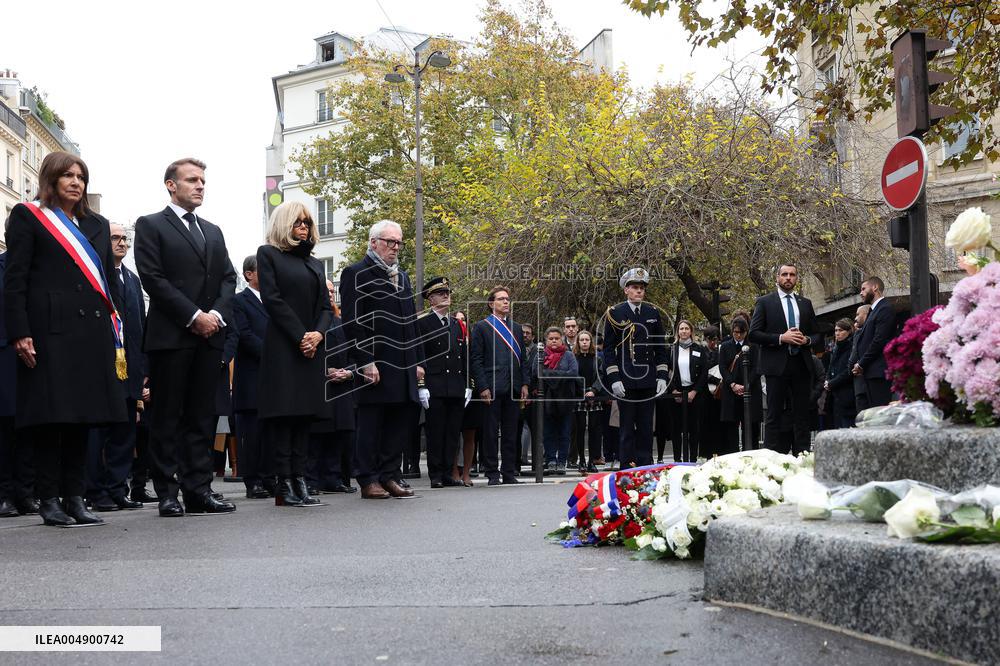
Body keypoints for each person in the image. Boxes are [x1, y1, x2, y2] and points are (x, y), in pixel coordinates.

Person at [4, 151, 126, 526]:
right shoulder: (29, 216)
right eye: (68, 175)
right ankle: (48, 498)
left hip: (91, 333)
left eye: (81, 177)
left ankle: (76, 497)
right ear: (51, 179)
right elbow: (15, 279)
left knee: (82, 419)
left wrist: (116, 335)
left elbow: (108, 285)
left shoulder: (98, 225)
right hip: (49, 331)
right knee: (51, 419)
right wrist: (20, 331)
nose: (76, 182)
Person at [134, 157, 238, 517]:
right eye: (192, 180)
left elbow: (228, 278)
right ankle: (166, 491)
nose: (200, 186)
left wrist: (216, 316)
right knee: (166, 416)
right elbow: (152, 277)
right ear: (170, 185)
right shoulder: (150, 225)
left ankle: (199, 489)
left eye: (203, 181)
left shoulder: (213, 230)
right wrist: (194, 316)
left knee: (202, 416)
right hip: (172, 336)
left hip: (209, 337)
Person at [339, 220, 424, 499]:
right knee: (371, 424)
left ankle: (389, 475)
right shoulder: (356, 273)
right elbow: (353, 322)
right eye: (390, 242)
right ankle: (368, 478)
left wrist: (418, 361)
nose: (395, 248)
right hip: (375, 363)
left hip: (403, 363)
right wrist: (365, 360)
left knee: (398, 422)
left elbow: (411, 321)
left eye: (399, 242)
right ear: (373, 242)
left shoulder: (402, 276)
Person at [256, 202, 332, 507]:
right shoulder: (269, 254)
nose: (304, 226)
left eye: (307, 222)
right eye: (298, 222)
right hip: (284, 347)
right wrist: (301, 335)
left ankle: (300, 479)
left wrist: (318, 334)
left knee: (304, 418)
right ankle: (283, 483)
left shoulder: (315, 263)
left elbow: (326, 307)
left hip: (311, 347)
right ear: (285, 224)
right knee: (284, 418)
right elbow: (272, 299)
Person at [85, 223, 146, 511]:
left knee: (125, 432)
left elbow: (139, 327)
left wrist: (144, 369)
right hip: (102, 365)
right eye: (115, 238)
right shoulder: (94, 276)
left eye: (125, 239)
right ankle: (95, 491)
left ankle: (118, 489)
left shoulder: (133, 280)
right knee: (98, 432)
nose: (122, 243)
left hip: (130, 367)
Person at [748, 263, 822, 455]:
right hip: (776, 366)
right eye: (785, 274)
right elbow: (754, 334)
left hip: (801, 365)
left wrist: (806, 340)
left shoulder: (805, 303)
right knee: (773, 415)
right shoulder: (765, 302)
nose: (788, 278)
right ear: (778, 278)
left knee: (801, 416)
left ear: (796, 278)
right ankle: (771, 459)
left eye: (792, 275)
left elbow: (817, 335)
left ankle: (802, 457)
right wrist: (781, 338)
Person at [601, 268, 669, 469]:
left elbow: (660, 348)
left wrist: (662, 376)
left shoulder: (653, 313)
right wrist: (614, 379)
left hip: (648, 379)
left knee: (647, 428)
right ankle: (627, 468)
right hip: (625, 379)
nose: (639, 291)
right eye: (635, 288)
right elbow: (609, 349)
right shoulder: (615, 313)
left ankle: (645, 466)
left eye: (641, 288)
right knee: (627, 428)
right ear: (626, 290)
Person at [470, 286, 530, 485]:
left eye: (508, 299)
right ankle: (492, 472)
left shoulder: (516, 328)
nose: (506, 302)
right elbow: (476, 360)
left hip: (513, 387)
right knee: (489, 432)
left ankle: (509, 471)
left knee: (511, 432)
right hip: (492, 387)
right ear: (491, 303)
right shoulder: (482, 327)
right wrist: (482, 386)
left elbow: (523, 359)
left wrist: (524, 384)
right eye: (501, 299)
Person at [416, 277, 468, 488]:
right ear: (430, 299)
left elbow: (463, 357)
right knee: (436, 433)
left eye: (448, 293)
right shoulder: (422, 323)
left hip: (455, 385)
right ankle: (436, 474)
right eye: (441, 293)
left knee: (453, 433)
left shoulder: (457, 325)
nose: (446, 296)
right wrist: (421, 386)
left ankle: (448, 472)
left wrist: (468, 385)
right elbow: (419, 356)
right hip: (434, 386)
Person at [308, 280, 357, 494]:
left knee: (339, 435)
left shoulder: (341, 322)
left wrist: (349, 372)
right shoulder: (310, 321)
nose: (329, 294)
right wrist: (324, 372)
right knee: (316, 436)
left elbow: (355, 354)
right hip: (318, 386)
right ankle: (311, 479)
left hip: (342, 386)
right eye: (324, 291)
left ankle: (333, 478)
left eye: (331, 291)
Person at [0, 243, 37, 517]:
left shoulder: (39, 266)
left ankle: (26, 493)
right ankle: (5, 494)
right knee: (5, 427)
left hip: (36, 357)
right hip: (5, 355)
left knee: (30, 426)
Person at [232, 255, 272, 499]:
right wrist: (272, 355)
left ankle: (269, 477)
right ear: (249, 274)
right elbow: (244, 335)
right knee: (252, 434)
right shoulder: (239, 301)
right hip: (251, 378)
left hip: (272, 379)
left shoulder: (273, 301)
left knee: (270, 433)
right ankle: (253, 481)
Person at [535, 326, 578, 474]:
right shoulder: (540, 354)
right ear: (546, 340)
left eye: (557, 338)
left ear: (561, 340)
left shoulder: (568, 355)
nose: (554, 341)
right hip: (546, 399)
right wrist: (560, 374)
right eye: (551, 338)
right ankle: (551, 459)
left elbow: (573, 373)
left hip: (565, 399)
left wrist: (550, 374)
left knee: (564, 432)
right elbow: (536, 372)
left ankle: (562, 461)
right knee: (549, 432)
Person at [718, 315, 762, 453]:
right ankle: (733, 456)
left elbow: (757, 367)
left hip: (751, 391)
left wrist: (747, 385)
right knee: (731, 429)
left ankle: (751, 456)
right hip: (731, 392)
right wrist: (732, 384)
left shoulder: (754, 346)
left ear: (746, 332)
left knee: (751, 428)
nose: (738, 335)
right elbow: (722, 367)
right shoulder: (725, 346)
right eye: (735, 332)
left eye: (741, 332)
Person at [666, 320, 708, 462]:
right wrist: (674, 391)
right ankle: (677, 460)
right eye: (681, 329)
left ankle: (693, 460)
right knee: (676, 429)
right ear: (678, 332)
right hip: (677, 392)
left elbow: (704, 372)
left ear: (691, 331)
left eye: (686, 328)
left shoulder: (699, 349)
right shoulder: (672, 349)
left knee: (694, 429)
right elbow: (667, 371)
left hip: (694, 393)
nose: (683, 331)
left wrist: (694, 392)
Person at [852, 276, 895, 408]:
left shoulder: (884, 309)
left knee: (880, 412)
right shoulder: (873, 311)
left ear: (875, 287)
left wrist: (861, 363)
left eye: (864, 289)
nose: (861, 293)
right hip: (871, 372)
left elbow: (878, 341)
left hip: (879, 373)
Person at [453, 310, 480, 487]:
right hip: (454, 390)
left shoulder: (473, 342)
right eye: (457, 320)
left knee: (470, 434)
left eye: (463, 320)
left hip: (472, 391)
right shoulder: (451, 340)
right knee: (454, 435)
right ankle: (454, 471)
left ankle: (467, 473)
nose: (460, 323)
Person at [572, 330, 603, 474]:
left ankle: (592, 460)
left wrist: (594, 391)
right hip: (579, 395)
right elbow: (572, 376)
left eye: (587, 340)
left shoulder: (597, 358)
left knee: (594, 430)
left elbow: (601, 376)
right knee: (579, 430)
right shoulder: (573, 357)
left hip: (594, 396)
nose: (584, 342)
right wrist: (582, 390)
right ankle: (582, 461)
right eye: (582, 340)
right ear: (578, 342)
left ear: (591, 342)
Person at [826, 318, 858, 428]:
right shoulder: (836, 347)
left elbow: (848, 371)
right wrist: (827, 380)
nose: (837, 333)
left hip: (849, 395)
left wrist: (832, 383)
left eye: (840, 330)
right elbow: (831, 367)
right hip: (836, 396)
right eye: (835, 330)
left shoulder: (852, 346)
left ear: (849, 331)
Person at [701, 326, 723, 456]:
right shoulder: (701, 351)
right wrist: (716, 380)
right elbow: (701, 372)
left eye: (716, 339)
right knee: (705, 425)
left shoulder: (719, 352)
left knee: (717, 424)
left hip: (717, 394)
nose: (714, 343)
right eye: (711, 340)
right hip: (705, 394)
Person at [850, 304, 871, 412]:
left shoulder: (864, 334)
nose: (855, 318)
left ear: (867, 314)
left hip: (865, 385)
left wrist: (857, 334)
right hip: (860, 386)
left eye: (858, 314)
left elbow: (853, 358)